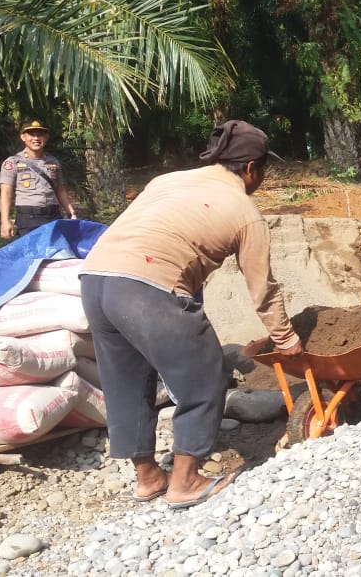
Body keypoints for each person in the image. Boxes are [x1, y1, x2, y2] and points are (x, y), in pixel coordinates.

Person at [79, 120, 305, 509]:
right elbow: (262, 290)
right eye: (263, 169)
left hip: (96, 278)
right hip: (145, 283)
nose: (262, 178)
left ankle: (148, 478)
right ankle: (185, 481)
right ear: (251, 167)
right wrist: (288, 341)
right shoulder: (244, 211)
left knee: (127, 380)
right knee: (206, 373)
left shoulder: (167, 181)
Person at [0, 119, 77, 239]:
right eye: (31, 134)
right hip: (29, 218)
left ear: (46, 137)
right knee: (33, 255)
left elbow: (60, 190)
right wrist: (5, 221)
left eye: (40, 134)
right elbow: (6, 192)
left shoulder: (53, 162)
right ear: (23, 137)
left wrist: (71, 213)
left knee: (56, 254)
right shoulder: (12, 162)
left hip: (53, 215)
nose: (36, 138)